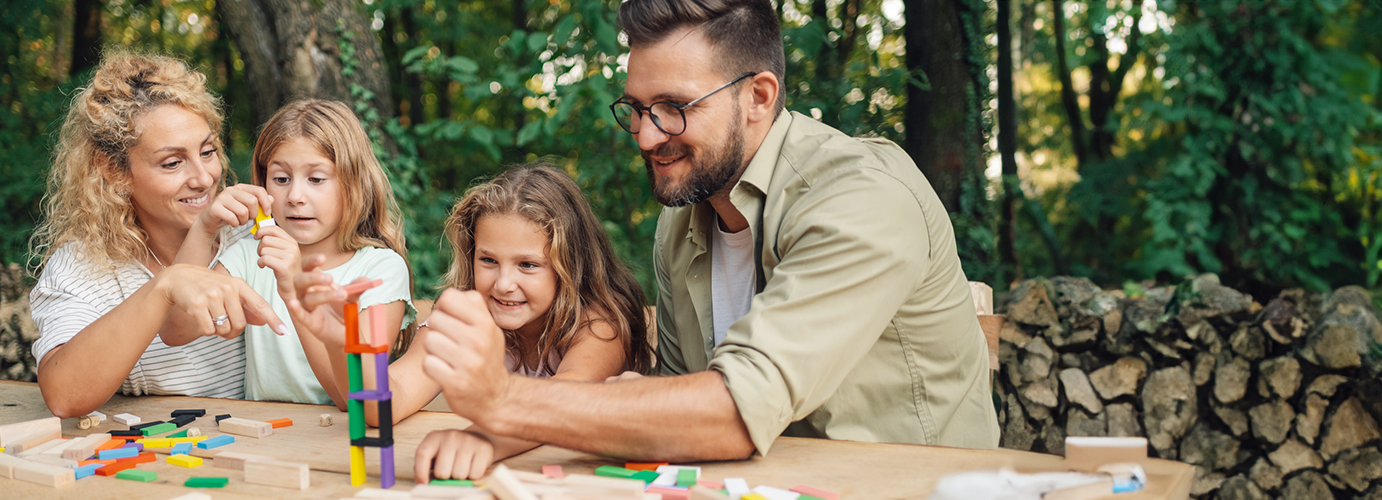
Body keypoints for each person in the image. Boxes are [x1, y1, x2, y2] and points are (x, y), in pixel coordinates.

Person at [417, 0, 999, 462]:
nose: (647, 137)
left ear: (758, 97)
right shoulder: (680, 223)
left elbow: (732, 413)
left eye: (674, 107)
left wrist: (504, 400)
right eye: (637, 109)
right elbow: (675, 403)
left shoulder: (860, 197)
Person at [296, 165, 655, 482]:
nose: (503, 284)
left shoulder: (599, 323)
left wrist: (483, 439)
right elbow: (381, 406)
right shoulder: (462, 317)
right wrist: (344, 341)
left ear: (570, 265)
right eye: (488, 261)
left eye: (527, 265)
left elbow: (565, 400)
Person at [26, 50, 287, 418]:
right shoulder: (83, 266)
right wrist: (165, 286)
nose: (204, 178)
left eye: (208, 151)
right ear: (115, 172)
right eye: (173, 162)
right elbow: (64, 396)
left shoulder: (252, 232)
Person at [177, 99, 416, 406]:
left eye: (316, 179)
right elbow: (176, 329)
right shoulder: (250, 255)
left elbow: (358, 399)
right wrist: (204, 228)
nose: (295, 196)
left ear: (354, 184)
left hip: (339, 433)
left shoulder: (380, 270)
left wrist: (295, 289)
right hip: (262, 431)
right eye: (281, 179)